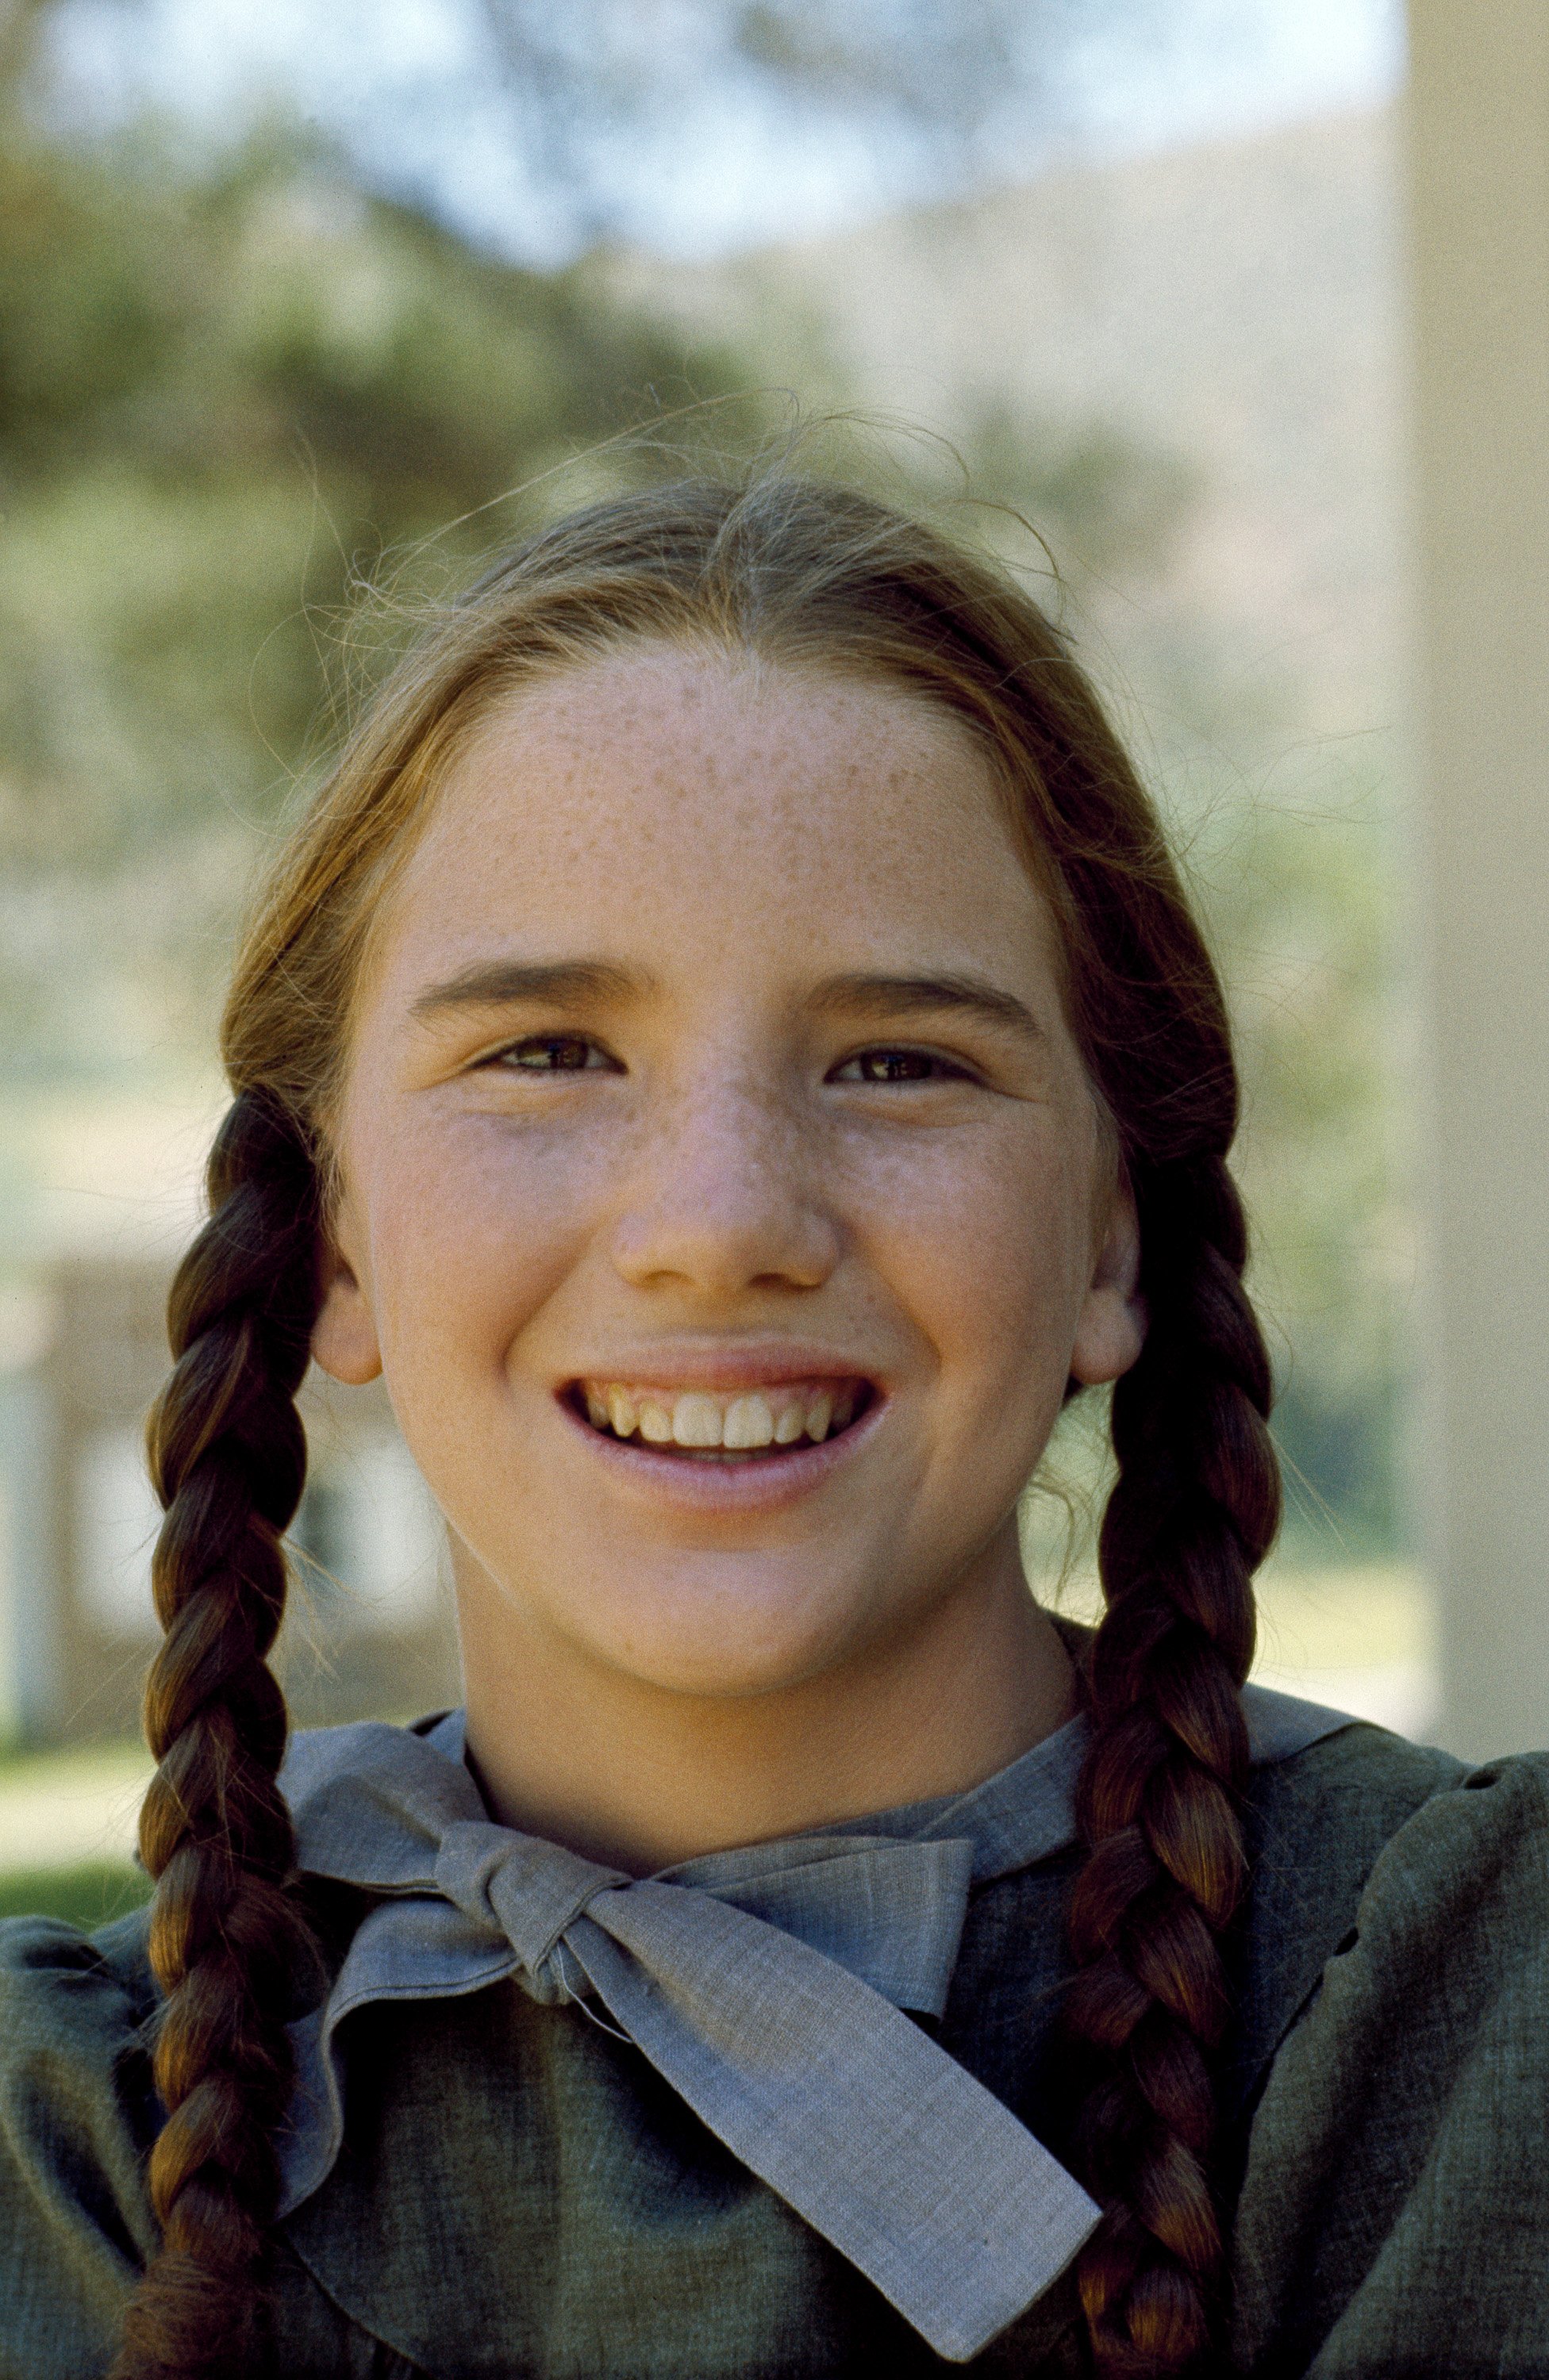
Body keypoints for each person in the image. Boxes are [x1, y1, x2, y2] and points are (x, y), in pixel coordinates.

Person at [3, 465, 1547, 2380]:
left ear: (1106, 1242)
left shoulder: (1467, 2020)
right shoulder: (60, 2144)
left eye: (900, 1062)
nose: (722, 1223)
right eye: (545, 1054)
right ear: (329, 1240)